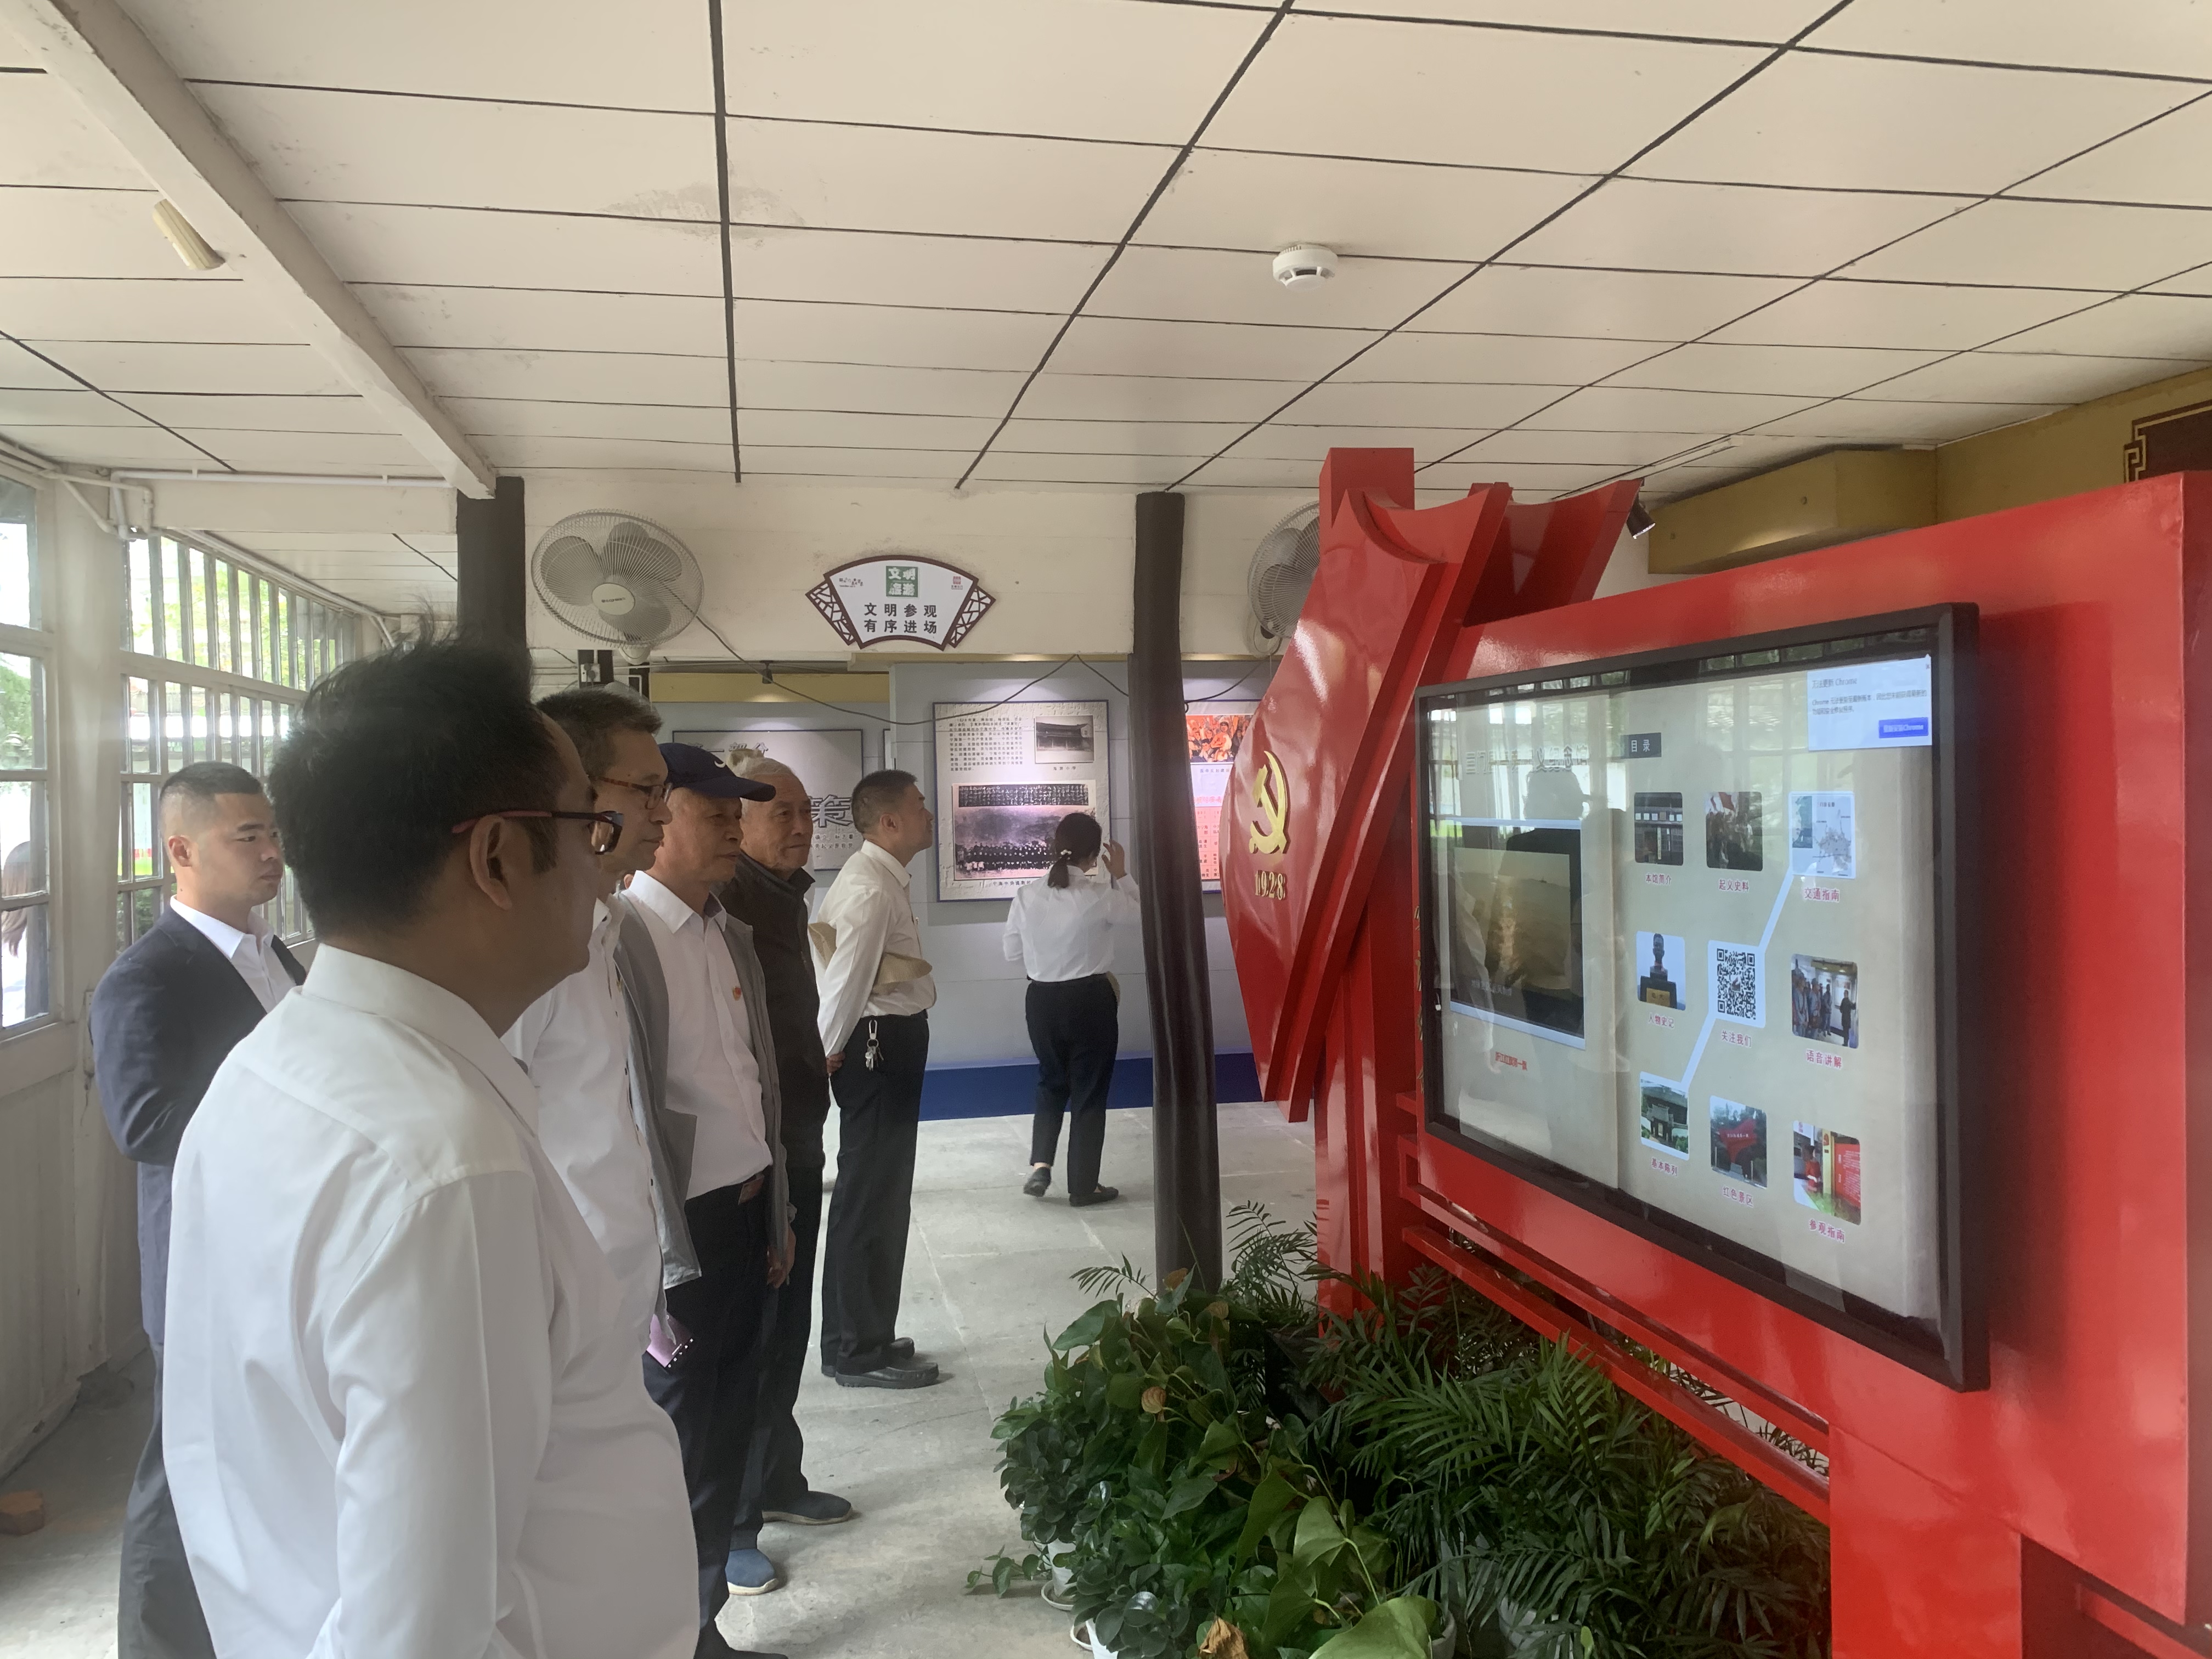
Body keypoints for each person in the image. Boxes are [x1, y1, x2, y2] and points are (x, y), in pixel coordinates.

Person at [159, 639, 697, 1659]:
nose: (605, 866)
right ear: (496, 857)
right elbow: (419, 1632)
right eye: (587, 825)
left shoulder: (274, 1067)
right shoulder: (447, 1170)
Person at [90, 761, 301, 1659]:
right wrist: (296, 1116)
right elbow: (147, 1123)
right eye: (247, 836)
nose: (271, 852)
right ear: (181, 850)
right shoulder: (145, 977)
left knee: (259, 1466)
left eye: (273, 833)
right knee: (182, 1478)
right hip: (205, 1266)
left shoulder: (276, 954)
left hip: (282, 1250)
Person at [615, 742, 795, 1641]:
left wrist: (776, 1208)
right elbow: (622, 1111)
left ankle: (703, 1620)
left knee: (728, 1425)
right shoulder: (619, 940)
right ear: (659, 818)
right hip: (678, 1235)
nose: (733, 826)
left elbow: (754, 1084)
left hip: (744, 1216)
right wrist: (653, 1261)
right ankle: (669, 1630)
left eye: (737, 812)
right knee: (677, 1439)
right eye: (712, 811)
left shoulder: (729, 931)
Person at [714, 749, 858, 1575]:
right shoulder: (728, 904)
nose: (802, 827)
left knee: (787, 1326)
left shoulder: (777, 895)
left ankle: (777, 1478)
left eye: (807, 812)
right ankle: (734, 1525)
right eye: (783, 813)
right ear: (736, 824)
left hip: (798, 1136)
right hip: (757, 1151)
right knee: (756, 1335)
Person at [503, 686, 675, 1350]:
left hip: (621, 1286)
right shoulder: (531, 950)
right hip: (562, 1305)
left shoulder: (606, 928)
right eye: (647, 791)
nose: (664, 812)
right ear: (576, 790)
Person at [814, 768, 940, 1390]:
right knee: (872, 1199)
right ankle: (857, 1351)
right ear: (889, 821)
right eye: (919, 805)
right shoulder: (870, 888)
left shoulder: (879, 877)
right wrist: (824, 1051)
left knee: (878, 1196)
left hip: (884, 1045)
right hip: (876, 1048)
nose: (928, 813)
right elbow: (845, 979)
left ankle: (861, 1333)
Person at [1002, 811, 1138, 1206]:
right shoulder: (1100, 896)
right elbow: (1144, 914)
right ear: (1095, 856)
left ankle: (1040, 1165)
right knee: (1089, 1091)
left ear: (1055, 846)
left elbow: (1011, 952)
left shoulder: (1027, 894)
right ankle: (1083, 1185)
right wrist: (1123, 875)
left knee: (1051, 1081)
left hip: (1041, 1000)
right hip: (1090, 1000)